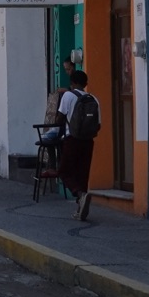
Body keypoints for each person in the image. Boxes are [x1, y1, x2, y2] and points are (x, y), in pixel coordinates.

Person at [57, 69, 101, 221]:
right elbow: (98, 125)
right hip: (88, 141)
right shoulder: (94, 100)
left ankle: (80, 195)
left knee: (64, 171)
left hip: (72, 139)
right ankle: (80, 207)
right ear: (86, 84)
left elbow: (59, 118)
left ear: (72, 83)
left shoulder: (68, 96)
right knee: (82, 174)